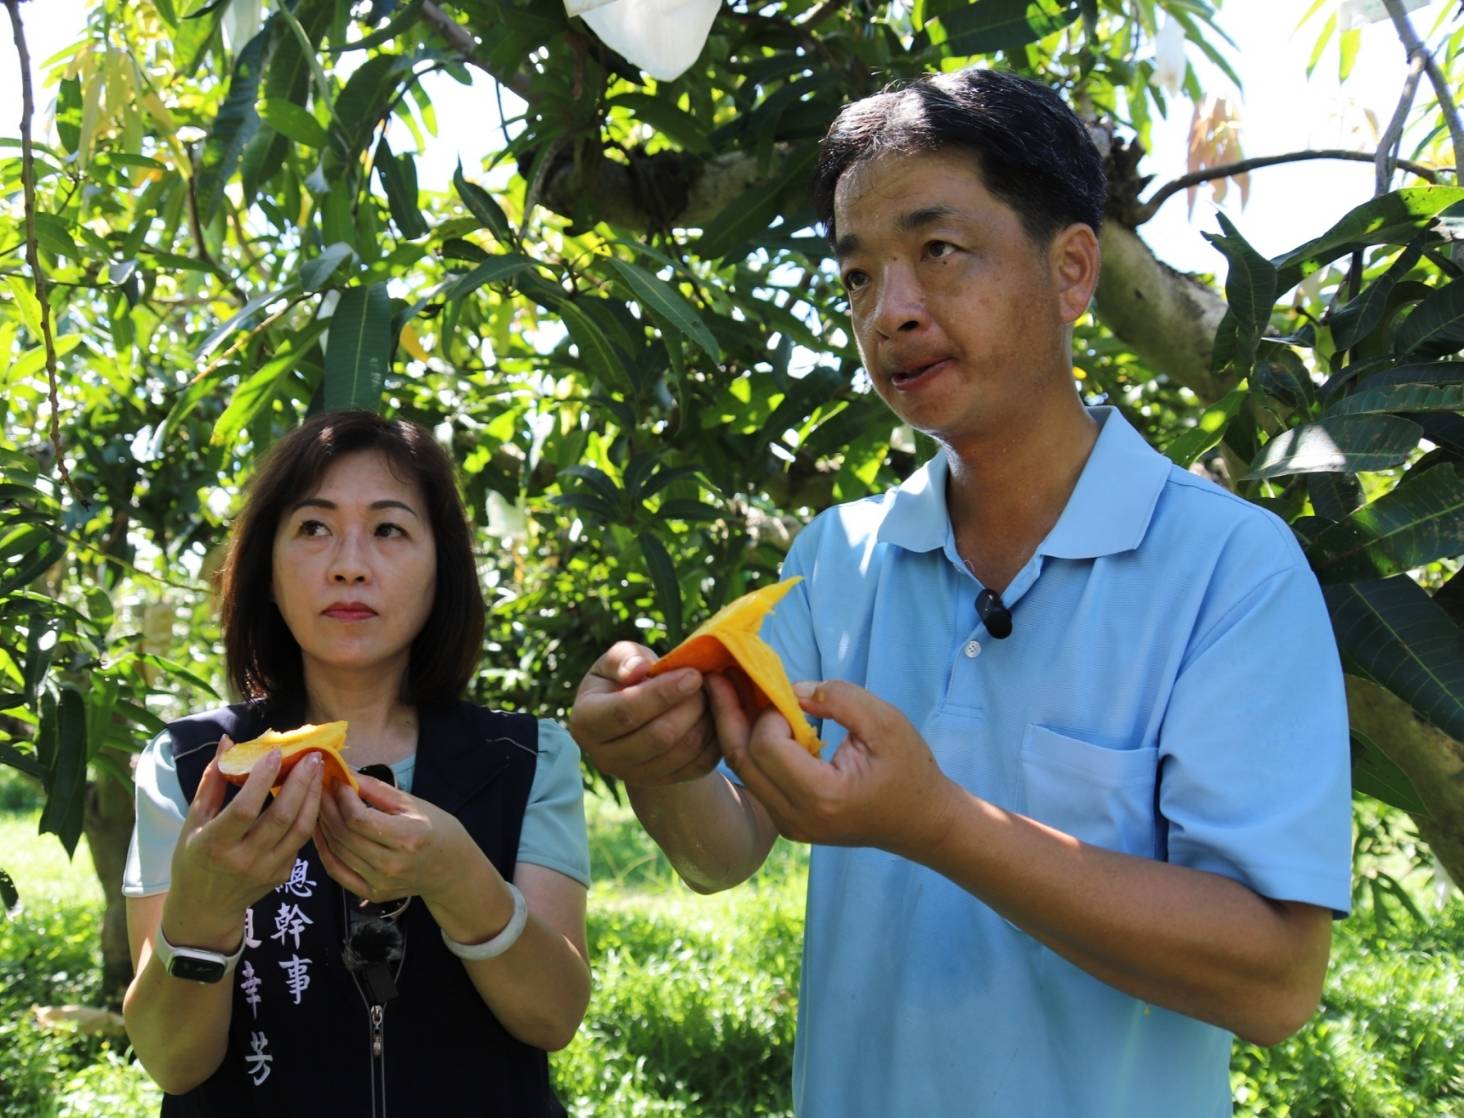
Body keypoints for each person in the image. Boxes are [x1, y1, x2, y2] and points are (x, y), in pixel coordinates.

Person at [569, 67, 1351, 1117]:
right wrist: (655, 761)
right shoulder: (840, 557)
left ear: (1073, 268)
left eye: (937, 251)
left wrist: (938, 820)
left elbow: (1276, 978)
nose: (891, 312)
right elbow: (725, 847)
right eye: (856, 276)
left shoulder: (1229, 570)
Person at [122, 410, 591, 1117]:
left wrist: (460, 881)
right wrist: (203, 911)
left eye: (389, 529)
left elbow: (553, 1018)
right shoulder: (191, 767)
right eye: (313, 527)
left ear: (442, 569)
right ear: (268, 571)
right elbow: (171, 1062)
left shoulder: (528, 760)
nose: (348, 563)